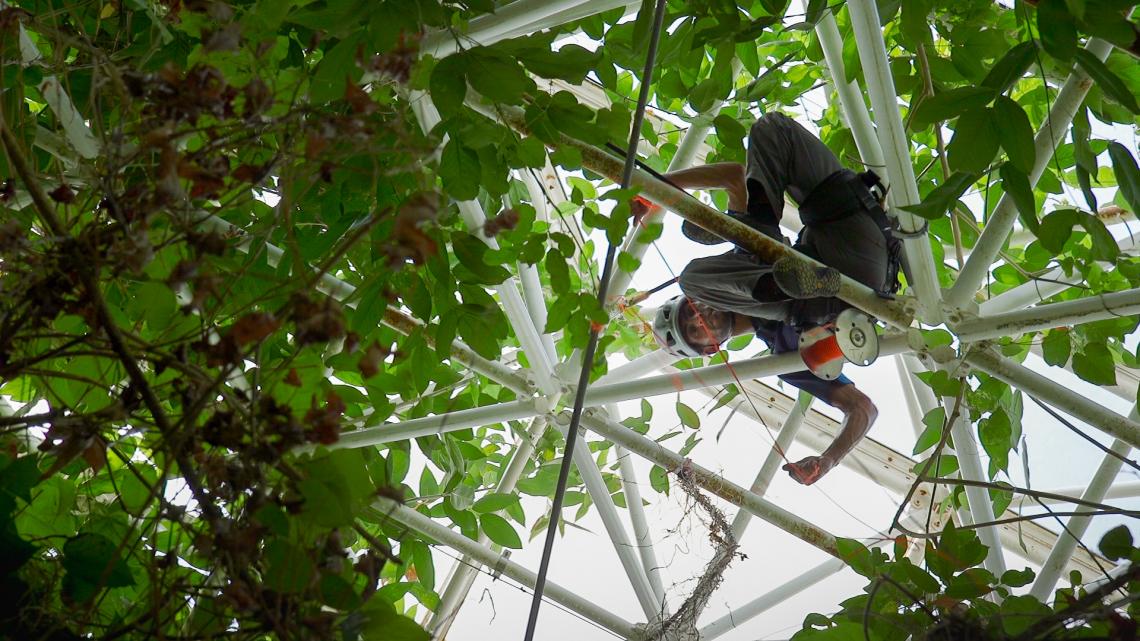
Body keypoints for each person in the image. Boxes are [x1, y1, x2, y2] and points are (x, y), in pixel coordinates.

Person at [644, 112, 898, 485]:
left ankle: (757, 229)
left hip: (850, 226)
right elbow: (862, 408)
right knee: (695, 277)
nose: (699, 318)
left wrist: (660, 188)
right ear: (711, 349)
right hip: (856, 289)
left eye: (689, 314)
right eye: (693, 331)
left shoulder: (733, 271)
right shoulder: (785, 359)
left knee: (772, 129)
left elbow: (733, 174)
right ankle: (789, 292)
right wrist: (827, 461)